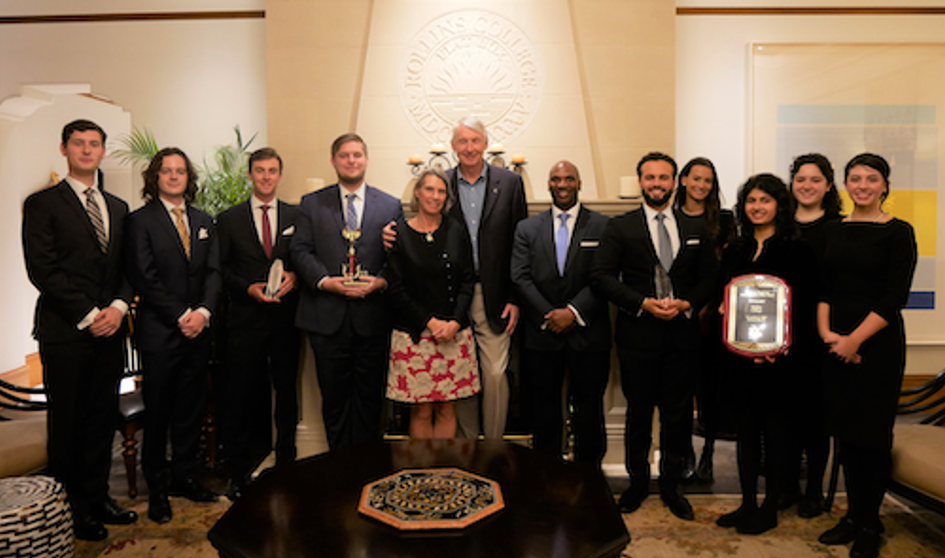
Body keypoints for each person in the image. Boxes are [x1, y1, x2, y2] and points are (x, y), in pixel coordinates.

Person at [22, 119, 137, 540]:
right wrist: (91, 314)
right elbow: (42, 269)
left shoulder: (119, 208)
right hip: (66, 332)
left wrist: (119, 308)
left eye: (94, 144)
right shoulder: (43, 204)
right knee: (68, 422)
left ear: (103, 151)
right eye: (78, 143)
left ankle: (99, 497)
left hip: (111, 330)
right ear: (64, 148)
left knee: (102, 418)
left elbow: (129, 269)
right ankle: (69, 508)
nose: (87, 150)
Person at [591, 152, 718, 520]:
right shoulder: (621, 227)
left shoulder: (694, 228)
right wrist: (642, 302)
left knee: (678, 415)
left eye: (664, 177)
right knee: (639, 413)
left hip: (683, 337)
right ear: (640, 182)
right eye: (650, 178)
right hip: (637, 336)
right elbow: (601, 276)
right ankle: (636, 483)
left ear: (675, 182)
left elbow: (710, 277)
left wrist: (687, 303)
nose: (657, 184)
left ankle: (672, 486)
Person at [384, 116, 527, 439]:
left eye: (475, 140)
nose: (469, 147)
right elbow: (420, 234)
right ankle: (465, 448)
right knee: (456, 381)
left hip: (493, 294)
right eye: (462, 141)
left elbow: (520, 243)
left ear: (486, 144)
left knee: (493, 373)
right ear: (452, 147)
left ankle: (491, 449)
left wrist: (515, 297)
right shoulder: (442, 182)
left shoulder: (510, 183)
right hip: (448, 297)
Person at [817, 153, 916, 558]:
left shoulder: (898, 231)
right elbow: (822, 287)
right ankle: (853, 516)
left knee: (872, 436)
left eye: (871, 179)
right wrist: (829, 336)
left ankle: (870, 522)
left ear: (885, 185)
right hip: (834, 340)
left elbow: (895, 296)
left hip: (877, 345)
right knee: (845, 433)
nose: (862, 185)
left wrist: (855, 340)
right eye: (855, 178)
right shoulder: (830, 230)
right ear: (845, 184)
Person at [714, 174, 818, 535]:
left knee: (777, 435)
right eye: (751, 201)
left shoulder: (797, 250)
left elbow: (803, 308)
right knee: (745, 434)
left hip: (780, 363)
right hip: (739, 360)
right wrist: (724, 311)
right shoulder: (736, 249)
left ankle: (771, 504)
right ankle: (746, 502)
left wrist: (782, 347)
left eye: (765, 201)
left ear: (779, 206)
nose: (757, 207)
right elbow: (723, 296)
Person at [125, 147, 222, 523]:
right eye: (167, 171)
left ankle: (184, 477)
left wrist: (203, 312)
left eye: (180, 171)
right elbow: (143, 276)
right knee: (160, 412)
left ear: (188, 177)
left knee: (191, 411)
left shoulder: (203, 220)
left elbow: (214, 272)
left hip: (197, 333)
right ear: (155, 177)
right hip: (161, 334)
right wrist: (180, 314)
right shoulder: (141, 221)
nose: (174, 176)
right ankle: (158, 489)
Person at [291, 133, 403, 450]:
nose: (351, 161)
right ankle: (339, 469)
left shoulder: (390, 205)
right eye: (345, 155)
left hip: (373, 317)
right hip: (327, 317)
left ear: (366, 159)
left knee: (370, 399)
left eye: (357, 155)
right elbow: (300, 251)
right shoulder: (312, 204)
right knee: (334, 399)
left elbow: (400, 258)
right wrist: (325, 281)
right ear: (334, 161)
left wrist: (381, 281)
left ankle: (366, 468)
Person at [510, 161, 611, 466]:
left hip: (589, 331)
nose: (563, 184)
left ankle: (589, 478)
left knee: (589, 409)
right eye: (556, 179)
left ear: (579, 184)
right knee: (544, 409)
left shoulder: (603, 226)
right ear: (549, 184)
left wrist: (573, 311)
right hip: (542, 334)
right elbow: (519, 276)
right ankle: (546, 476)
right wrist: (550, 314)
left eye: (569, 179)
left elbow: (606, 276)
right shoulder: (527, 228)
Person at [217, 147, 300, 500]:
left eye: (272, 171)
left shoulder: (298, 215)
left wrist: (295, 275)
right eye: (260, 171)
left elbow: (303, 258)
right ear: (250, 175)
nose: (266, 176)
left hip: (285, 321)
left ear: (280, 175)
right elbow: (221, 270)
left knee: (287, 394)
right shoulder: (229, 219)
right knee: (242, 397)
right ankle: (239, 472)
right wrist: (247, 288)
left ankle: (286, 465)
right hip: (245, 321)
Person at [385, 167, 479, 438]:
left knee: (448, 409)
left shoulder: (456, 231)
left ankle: (443, 473)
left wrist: (455, 322)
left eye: (441, 191)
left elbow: (467, 280)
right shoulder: (398, 234)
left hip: (453, 334)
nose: (435, 196)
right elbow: (397, 288)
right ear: (417, 192)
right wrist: (430, 321)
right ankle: (424, 474)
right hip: (415, 335)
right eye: (429, 189)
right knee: (422, 410)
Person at [781, 153, 843, 517]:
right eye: (801, 179)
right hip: (779, 333)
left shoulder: (839, 227)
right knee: (784, 415)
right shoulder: (780, 223)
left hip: (821, 333)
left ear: (828, 185)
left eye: (815, 180)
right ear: (792, 183)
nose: (807, 186)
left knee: (816, 418)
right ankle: (787, 486)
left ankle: (814, 491)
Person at [674, 156, 737, 483]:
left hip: (715, 317)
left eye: (708, 181)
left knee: (710, 391)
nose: (701, 185)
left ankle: (708, 455)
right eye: (695, 178)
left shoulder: (725, 221)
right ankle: (684, 454)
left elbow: (729, 268)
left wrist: (712, 305)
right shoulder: (670, 217)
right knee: (682, 391)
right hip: (678, 316)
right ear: (683, 180)